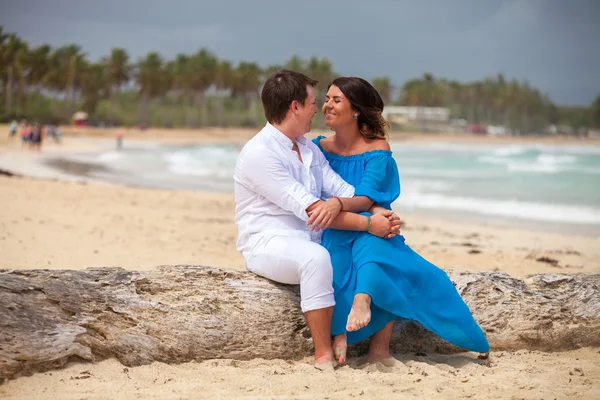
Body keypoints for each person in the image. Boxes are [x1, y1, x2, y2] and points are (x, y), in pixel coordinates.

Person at [313, 77, 490, 365]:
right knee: (350, 253)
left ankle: (371, 328)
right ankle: (349, 329)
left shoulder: (377, 148)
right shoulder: (317, 147)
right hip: (335, 226)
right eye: (326, 99)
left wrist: (343, 204)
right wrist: (356, 210)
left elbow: (367, 197)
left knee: (390, 255)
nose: (327, 105)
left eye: (336, 100)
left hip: (368, 226)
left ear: (356, 110)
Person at [233, 70, 401, 370]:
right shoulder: (260, 153)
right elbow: (312, 210)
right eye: (313, 102)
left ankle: (378, 347)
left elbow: (342, 190)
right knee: (316, 258)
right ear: (295, 106)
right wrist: (366, 223)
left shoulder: (308, 148)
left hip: (311, 235)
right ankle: (323, 354)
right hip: (268, 242)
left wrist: (377, 212)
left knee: (381, 246)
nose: (318, 109)